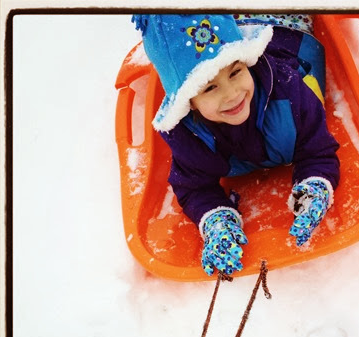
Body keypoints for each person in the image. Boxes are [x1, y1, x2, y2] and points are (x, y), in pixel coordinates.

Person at [132, 14, 340, 276]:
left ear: (247, 63)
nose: (231, 94)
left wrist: (315, 185)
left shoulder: (290, 91)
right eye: (210, 88)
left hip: (287, 28)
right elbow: (193, 189)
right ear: (188, 102)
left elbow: (317, 149)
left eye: (236, 72)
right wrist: (215, 219)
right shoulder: (190, 137)